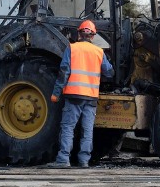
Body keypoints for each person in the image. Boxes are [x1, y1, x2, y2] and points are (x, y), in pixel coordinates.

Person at [48, 20, 114, 168]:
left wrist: (56, 93)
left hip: (73, 96)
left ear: (79, 34)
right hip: (91, 97)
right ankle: (84, 160)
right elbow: (109, 72)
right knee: (87, 130)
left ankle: (63, 159)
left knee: (68, 128)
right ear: (93, 36)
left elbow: (64, 72)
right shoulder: (99, 52)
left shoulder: (72, 48)